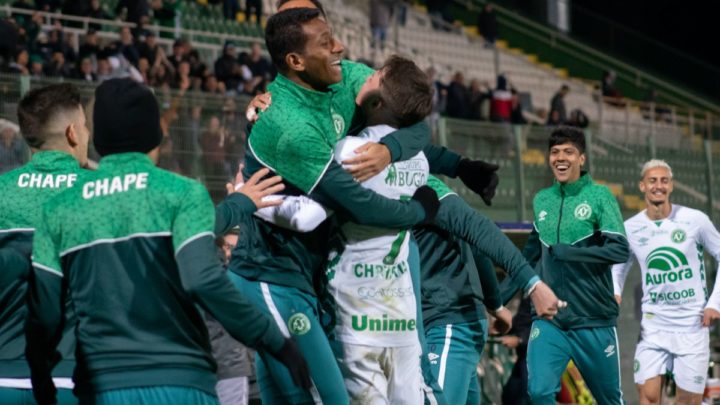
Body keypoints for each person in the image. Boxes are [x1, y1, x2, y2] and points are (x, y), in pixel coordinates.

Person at [25, 78, 310, 405]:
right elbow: (203, 279)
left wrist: (39, 371)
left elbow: (44, 312)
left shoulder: (60, 208)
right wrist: (276, 342)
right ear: (157, 135)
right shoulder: (182, 193)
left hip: (101, 384)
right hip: (180, 380)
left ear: (97, 138)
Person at [524, 126, 629, 404]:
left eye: (569, 152)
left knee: (609, 400)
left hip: (593, 320)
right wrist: (498, 298)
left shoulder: (600, 196)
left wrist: (572, 253)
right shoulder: (541, 199)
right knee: (538, 392)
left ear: (582, 159)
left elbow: (620, 249)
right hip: (551, 321)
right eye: (555, 152)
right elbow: (530, 256)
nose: (561, 157)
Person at [0, 83, 90, 405]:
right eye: (85, 125)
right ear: (72, 133)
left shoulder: (2, 191)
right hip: (71, 378)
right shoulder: (101, 193)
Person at [612, 159, 720, 405]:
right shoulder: (630, 228)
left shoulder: (695, 220)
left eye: (664, 180)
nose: (658, 186)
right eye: (652, 180)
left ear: (671, 186)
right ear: (642, 186)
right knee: (648, 399)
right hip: (653, 328)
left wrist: (715, 303)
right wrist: (616, 291)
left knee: (688, 401)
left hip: (692, 327)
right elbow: (619, 265)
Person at [500, 297, 533, 405]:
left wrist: (520, 340)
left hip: (535, 356)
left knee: (528, 397)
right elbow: (522, 318)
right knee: (509, 395)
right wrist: (504, 326)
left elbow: (545, 325)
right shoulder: (529, 292)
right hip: (523, 355)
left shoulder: (547, 290)